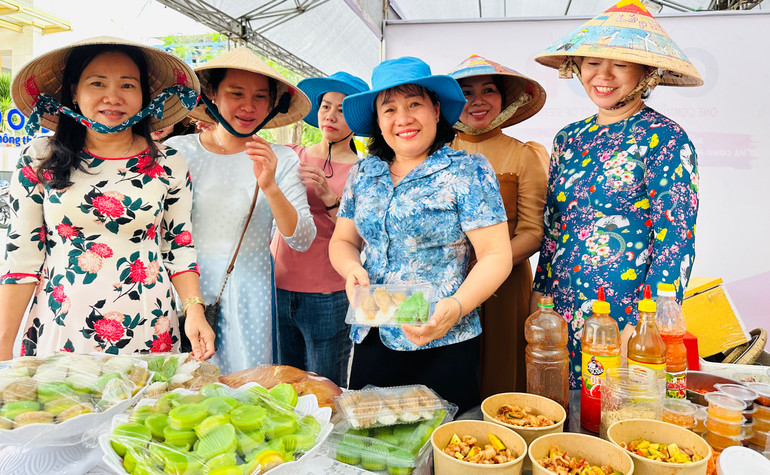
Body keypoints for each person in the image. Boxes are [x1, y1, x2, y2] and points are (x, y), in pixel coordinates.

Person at [0, 36, 215, 360]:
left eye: (127, 85)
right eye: (97, 83)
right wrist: (4, 342)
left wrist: (194, 310)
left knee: (144, 411)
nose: (112, 97)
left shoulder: (168, 163)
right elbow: (22, 259)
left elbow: (179, 245)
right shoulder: (39, 158)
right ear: (74, 91)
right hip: (61, 328)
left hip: (150, 327)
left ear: (144, 95)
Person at [531, 0, 702, 388]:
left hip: (625, 314)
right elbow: (553, 229)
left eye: (620, 64)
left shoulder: (666, 139)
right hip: (560, 306)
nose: (602, 75)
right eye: (592, 62)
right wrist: (539, 294)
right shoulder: (568, 139)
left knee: (614, 417)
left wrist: (646, 327)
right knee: (560, 419)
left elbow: (676, 240)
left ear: (647, 73)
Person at [330, 56, 512, 411]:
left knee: (444, 450)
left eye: (415, 103)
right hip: (373, 331)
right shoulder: (364, 172)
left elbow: (495, 255)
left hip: (444, 334)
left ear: (436, 109)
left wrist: (456, 307)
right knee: (374, 447)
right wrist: (350, 269)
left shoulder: (468, 171)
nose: (403, 118)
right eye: (390, 109)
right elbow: (343, 241)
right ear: (378, 121)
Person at [165, 47, 315, 375]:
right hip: (184, 286)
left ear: (273, 104)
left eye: (261, 96)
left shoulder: (282, 159)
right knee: (185, 385)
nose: (249, 107)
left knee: (248, 386)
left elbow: (302, 238)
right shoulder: (177, 153)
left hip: (252, 289)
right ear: (212, 95)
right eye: (236, 93)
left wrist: (271, 186)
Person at [448, 54, 549, 396]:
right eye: (465, 92)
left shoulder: (525, 155)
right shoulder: (438, 152)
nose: (477, 101)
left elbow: (534, 233)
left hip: (505, 285)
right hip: (445, 284)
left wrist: (485, 265)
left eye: (488, 90)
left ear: (504, 100)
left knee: (500, 376)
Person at [270, 72, 369, 387]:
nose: (331, 115)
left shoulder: (364, 170)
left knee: (324, 385)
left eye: (342, 110)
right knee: (284, 381)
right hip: (279, 283)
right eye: (326, 106)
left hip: (328, 292)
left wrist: (329, 198)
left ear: (355, 118)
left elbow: (365, 235)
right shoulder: (291, 155)